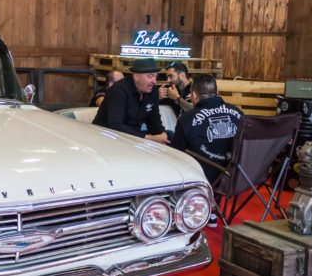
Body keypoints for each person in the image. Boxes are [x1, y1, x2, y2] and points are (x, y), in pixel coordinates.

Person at [172, 74, 243, 227]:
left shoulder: (187, 118)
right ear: (216, 93)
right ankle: (212, 210)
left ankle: (191, 208)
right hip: (236, 174)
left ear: (194, 95)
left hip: (203, 176)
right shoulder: (238, 113)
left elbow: (176, 151)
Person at [92, 58, 168, 144]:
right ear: (137, 77)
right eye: (150, 76)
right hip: (105, 138)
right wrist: (148, 138)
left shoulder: (153, 91)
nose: (154, 81)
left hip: (134, 139)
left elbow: (154, 120)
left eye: (155, 76)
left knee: (170, 136)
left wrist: (162, 134)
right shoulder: (119, 90)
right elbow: (115, 125)